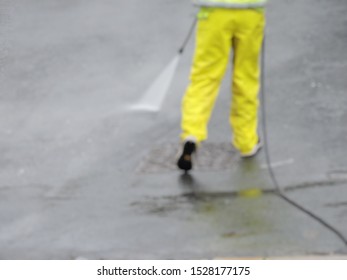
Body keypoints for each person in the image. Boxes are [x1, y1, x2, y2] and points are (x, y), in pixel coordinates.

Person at [177, 0, 267, 171]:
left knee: (204, 78)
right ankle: (247, 141)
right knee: (246, 77)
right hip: (250, 12)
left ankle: (192, 133)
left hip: (214, 12)